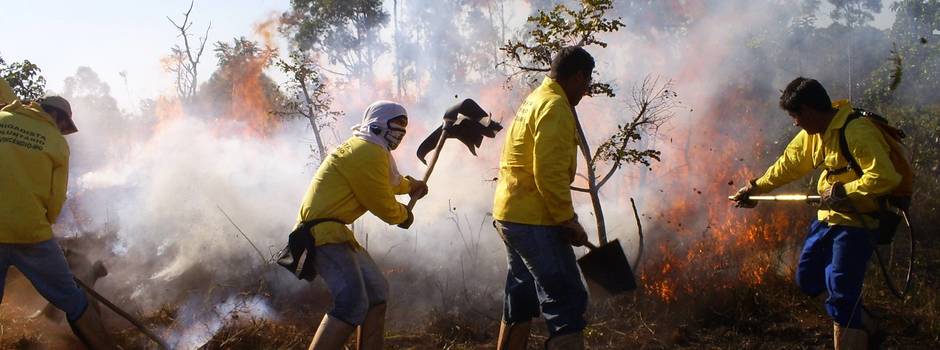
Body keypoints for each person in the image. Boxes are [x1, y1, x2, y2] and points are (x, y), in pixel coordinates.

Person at [731, 77, 901, 349]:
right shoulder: (814, 135)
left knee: (842, 292)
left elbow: (885, 177)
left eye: (795, 115)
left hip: (857, 224)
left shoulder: (856, 131)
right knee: (808, 277)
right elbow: (788, 165)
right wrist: (755, 189)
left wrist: (845, 191)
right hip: (827, 219)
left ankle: (853, 331)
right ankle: (865, 323)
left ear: (809, 109)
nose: (795, 122)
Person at [299, 100, 428, 350]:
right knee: (351, 302)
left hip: (336, 233)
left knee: (376, 294)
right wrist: (404, 215)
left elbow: (390, 182)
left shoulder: (372, 149)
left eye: (404, 125)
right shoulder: (366, 152)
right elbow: (382, 203)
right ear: (378, 123)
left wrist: (412, 187)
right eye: (397, 123)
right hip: (322, 234)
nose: (401, 131)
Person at [491, 46, 593, 350]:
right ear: (577, 77)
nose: (586, 91)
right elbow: (547, 172)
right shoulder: (555, 107)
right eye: (587, 83)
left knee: (521, 295)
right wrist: (567, 219)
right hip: (533, 220)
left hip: (510, 215)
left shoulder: (535, 100)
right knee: (568, 299)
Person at [0, 82, 116, 349]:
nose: (63, 132)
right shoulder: (55, 142)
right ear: (57, 116)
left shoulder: (2, 118)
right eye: (64, 126)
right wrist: (45, 226)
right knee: (74, 300)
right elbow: (55, 201)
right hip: (30, 234)